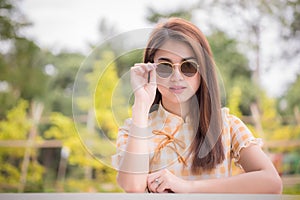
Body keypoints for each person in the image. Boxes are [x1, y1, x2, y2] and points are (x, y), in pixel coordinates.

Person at [112, 17, 282, 193]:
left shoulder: (228, 126)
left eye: (189, 66)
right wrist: (141, 104)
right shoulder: (134, 129)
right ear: (150, 69)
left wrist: (186, 187)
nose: (176, 76)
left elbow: (272, 182)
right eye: (165, 66)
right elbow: (132, 187)